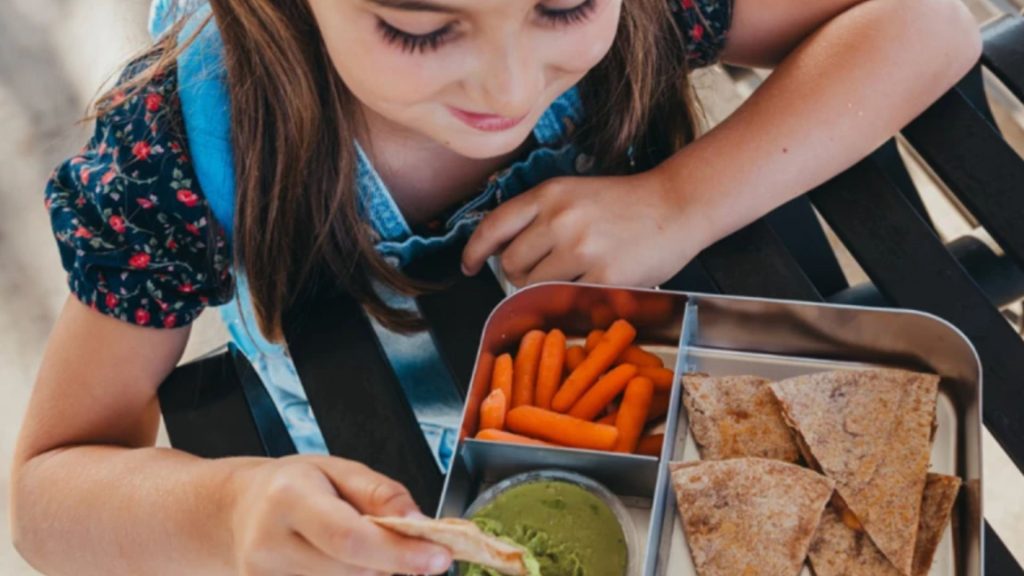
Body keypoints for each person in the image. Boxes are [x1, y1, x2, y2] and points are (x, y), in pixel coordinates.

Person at [12, 0, 980, 574]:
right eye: (421, 27)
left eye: (563, 7)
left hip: (716, 446)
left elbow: (923, 25)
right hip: (428, 524)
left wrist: (679, 201)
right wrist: (229, 511)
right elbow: (47, 492)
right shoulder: (177, 154)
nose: (510, 85)